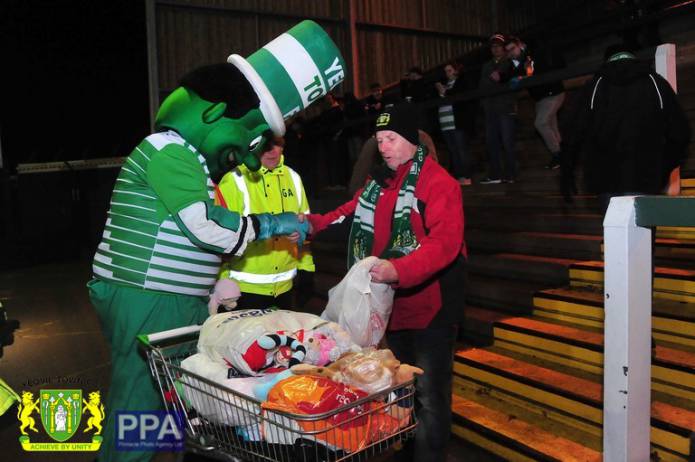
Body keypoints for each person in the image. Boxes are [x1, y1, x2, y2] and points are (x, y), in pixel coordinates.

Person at [303, 105, 466, 462]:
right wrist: (313, 223)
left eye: (391, 138)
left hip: (432, 308)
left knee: (430, 395)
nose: (384, 147)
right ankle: (409, 449)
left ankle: (429, 455)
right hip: (393, 307)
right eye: (379, 140)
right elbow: (348, 213)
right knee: (401, 387)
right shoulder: (379, 184)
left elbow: (445, 244)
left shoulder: (438, 183)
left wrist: (399, 270)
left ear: (411, 140)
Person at [564, 43, 691, 207]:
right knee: (644, 231)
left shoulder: (594, 87)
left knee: (614, 230)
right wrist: (664, 169)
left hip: (606, 181)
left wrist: (567, 172)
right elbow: (680, 134)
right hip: (646, 179)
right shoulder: (656, 83)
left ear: (607, 61)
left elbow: (572, 134)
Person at [216, 136, 314, 311]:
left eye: (277, 144)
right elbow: (220, 237)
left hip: (286, 288)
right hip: (243, 289)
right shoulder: (234, 180)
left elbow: (307, 226)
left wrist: (307, 269)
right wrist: (222, 280)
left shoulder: (293, 177)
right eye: (266, 145)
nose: (273, 151)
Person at [505, 36, 566, 170]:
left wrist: (520, 76)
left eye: (513, 49)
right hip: (540, 98)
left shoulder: (531, 54)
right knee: (551, 126)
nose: (511, 53)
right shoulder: (515, 62)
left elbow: (532, 71)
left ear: (520, 45)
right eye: (508, 51)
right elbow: (512, 76)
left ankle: (558, 155)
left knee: (541, 123)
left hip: (552, 93)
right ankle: (564, 155)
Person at [479, 33, 517, 184]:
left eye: (498, 46)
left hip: (505, 107)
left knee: (508, 142)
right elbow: (483, 86)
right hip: (490, 109)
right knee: (491, 142)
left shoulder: (510, 62)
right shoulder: (486, 66)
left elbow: (511, 81)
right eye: (493, 46)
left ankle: (511, 174)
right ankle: (495, 174)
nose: (495, 49)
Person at [435, 61, 473, 185]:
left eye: (450, 70)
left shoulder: (460, 82)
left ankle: (466, 176)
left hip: (456, 121)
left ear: (456, 71)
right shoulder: (445, 85)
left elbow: (458, 95)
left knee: (461, 150)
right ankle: (458, 176)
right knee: (453, 151)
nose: (447, 73)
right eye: (446, 71)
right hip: (445, 123)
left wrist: (445, 91)